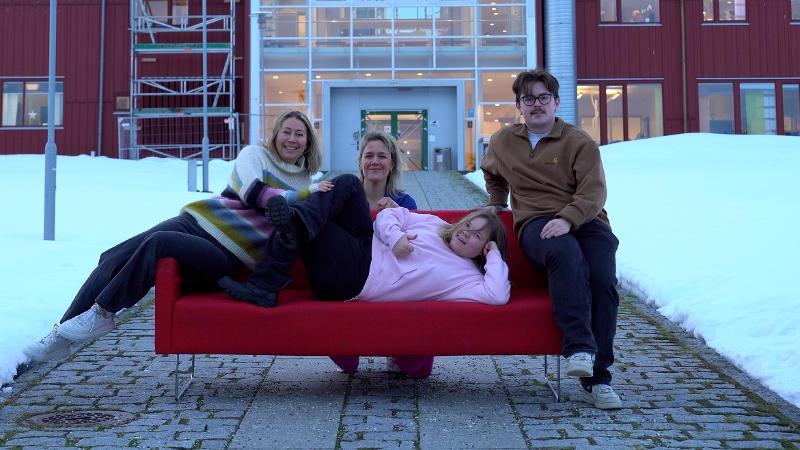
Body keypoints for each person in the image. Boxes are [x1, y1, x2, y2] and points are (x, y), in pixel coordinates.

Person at [23, 110, 332, 362]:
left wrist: (307, 196)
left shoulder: (307, 184)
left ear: (308, 143)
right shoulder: (255, 155)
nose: (292, 139)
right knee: (112, 256)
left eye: (299, 134)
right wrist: (296, 196)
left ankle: (103, 312)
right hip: (195, 222)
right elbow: (252, 190)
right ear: (275, 134)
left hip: (224, 256)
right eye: (286, 131)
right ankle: (60, 335)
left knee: (158, 243)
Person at [218, 175, 510, 377]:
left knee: (315, 228)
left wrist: (494, 254)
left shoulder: (466, 279)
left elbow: (497, 294)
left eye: (477, 236)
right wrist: (395, 238)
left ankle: (273, 268)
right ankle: (297, 222)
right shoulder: (436, 225)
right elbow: (391, 215)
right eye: (468, 225)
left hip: (354, 277)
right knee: (348, 184)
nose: (466, 233)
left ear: (483, 248)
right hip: (366, 241)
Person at [480, 68, 622, 410]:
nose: (537, 104)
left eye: (544, 97)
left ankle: (598, 378)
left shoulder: (578, 142)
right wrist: (497, 200)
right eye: (528, 98)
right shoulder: (503, 142)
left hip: (586, 219)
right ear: (519, 106)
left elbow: (594, 191)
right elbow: (492, 171)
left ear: (556, 102)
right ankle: (579, 348)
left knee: (602, 279)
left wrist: (568, 218)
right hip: (536, 221)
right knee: (564, 253)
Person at [358, 131, 417, 212]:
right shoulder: (346, 199)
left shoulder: (405, 203)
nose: (374, 162)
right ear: (360, 162)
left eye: (382, 156)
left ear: (392, 164)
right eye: (369, 156)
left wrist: (399, 213)